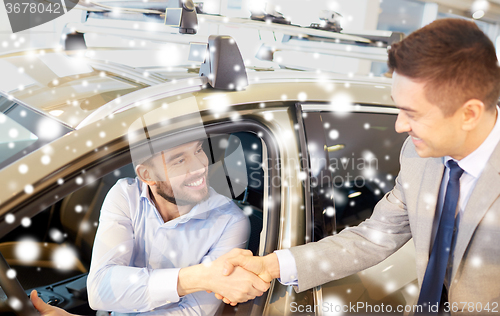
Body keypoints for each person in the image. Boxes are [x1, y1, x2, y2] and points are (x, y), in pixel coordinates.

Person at [219, 18, 500, 314]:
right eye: (397, 107)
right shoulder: (418, 157)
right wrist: (271, 264)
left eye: (412, 114)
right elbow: (375, 236)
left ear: (469, 114)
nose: (400, 126)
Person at [30, 139, 269, 316]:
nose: (199, 167)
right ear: (147, 175)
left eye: (198, 150)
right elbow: (101, 288)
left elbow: (194, 312)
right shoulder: (125, 195)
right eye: (179, 160)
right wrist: (200, 276)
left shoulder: (230, 221)